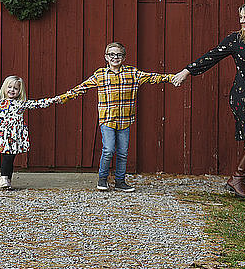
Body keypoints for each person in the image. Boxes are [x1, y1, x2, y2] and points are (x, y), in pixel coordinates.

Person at [172, 1, 245, 199]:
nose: (241, 20)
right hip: (243, 93)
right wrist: (187, 71)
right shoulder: (235, 40)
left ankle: (239, 181)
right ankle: (239, 180)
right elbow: (212, 56)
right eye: (240, 17)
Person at [58, 42, 174, 192]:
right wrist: (64, 97)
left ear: (124, 57)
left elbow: (153, 77)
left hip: (125, 120)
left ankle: (120, 181)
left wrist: (172, 78)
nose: (115, 57)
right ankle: (102, 179)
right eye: (112, 55)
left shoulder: (133, 73)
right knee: (108, 149)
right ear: (106, 57)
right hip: (107, 120)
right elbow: (82, 87)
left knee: (123, 152)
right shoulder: (100, 74)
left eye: (119, 55)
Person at [0, 76, 57, 189]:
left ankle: (8, 180)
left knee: (11, 157)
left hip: (14, 135)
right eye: (9, 87)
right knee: (7, 156)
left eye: (15, 88)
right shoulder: (0, 102)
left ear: (20, 91)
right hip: (3, 134)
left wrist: (53, 100)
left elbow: (38, 103)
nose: (12, 90)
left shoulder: (21, 103)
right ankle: (3, 178)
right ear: (4, 88)